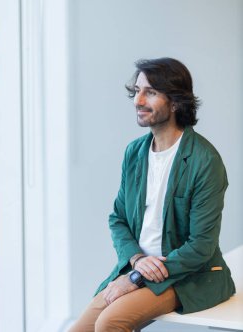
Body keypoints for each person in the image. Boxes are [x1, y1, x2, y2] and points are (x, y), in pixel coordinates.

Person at [69, 57, 235, 332]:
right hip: (138, 267)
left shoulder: (205, 161)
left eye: (151, 92)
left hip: (185, 274)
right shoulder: (134, 153)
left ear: (176, 102)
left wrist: (135, 277)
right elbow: (118, 219)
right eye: (136, 91)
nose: (138, 100)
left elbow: (201, 246)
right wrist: (136, 260)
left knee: (110, 322)